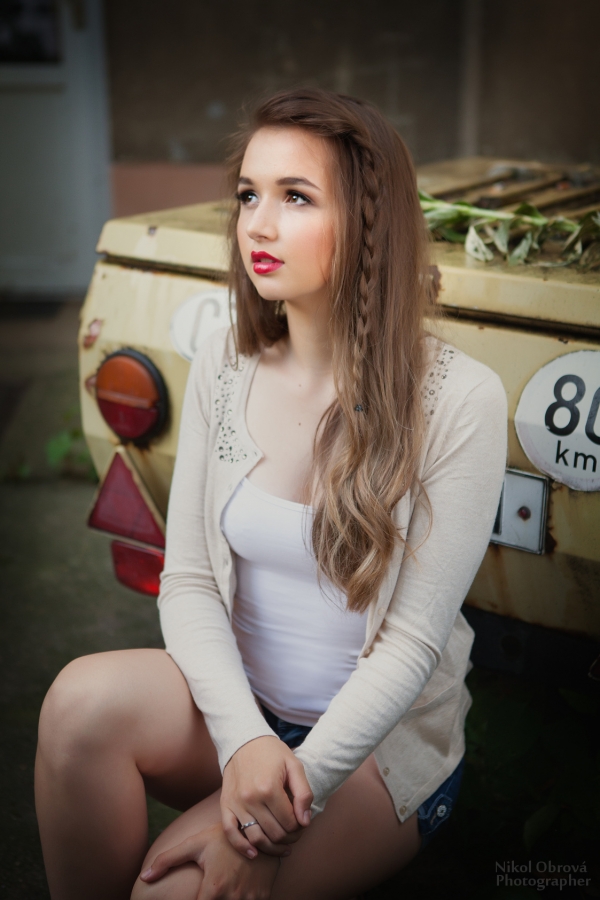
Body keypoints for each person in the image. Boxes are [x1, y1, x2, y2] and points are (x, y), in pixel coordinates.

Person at [35, 88, 507, 900]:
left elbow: (409, 646)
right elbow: (188, 580)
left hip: (371, 753)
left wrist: (280, 808)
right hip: (240, 715)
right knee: (77, 704)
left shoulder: (460, 397)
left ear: (370, 221)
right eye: (249, 194)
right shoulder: (226, 362)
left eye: (296, 197)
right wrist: (244, 743)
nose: (257, 224)